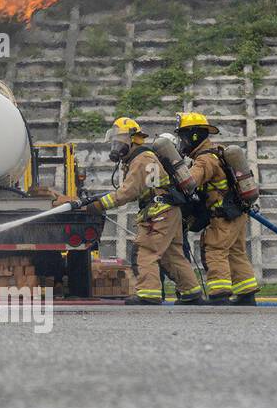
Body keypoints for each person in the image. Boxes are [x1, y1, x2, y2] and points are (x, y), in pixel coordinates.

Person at [76, 117, 202, 304]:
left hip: (158, 212)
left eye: (120, 140)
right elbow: (137, 190)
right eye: (115, 141)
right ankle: (191, 292)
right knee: (172, 254)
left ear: (134, 138)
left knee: (146, 251)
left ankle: (148, 294)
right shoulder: (143, 158)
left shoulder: (141, 159)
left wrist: (98, 206)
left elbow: (127, 192)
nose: (116, 145)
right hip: (168, 211)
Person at [175, 112, 259, 306]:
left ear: (194, 135)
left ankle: (219, 293)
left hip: (222, 215)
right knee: (236, 251)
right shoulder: (217, 152)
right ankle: (246, 293)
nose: (182, 142)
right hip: (237, 213)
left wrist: (176, 172)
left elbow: (190, 182)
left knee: (215, 250)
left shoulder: (205, 159)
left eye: (183, 137)